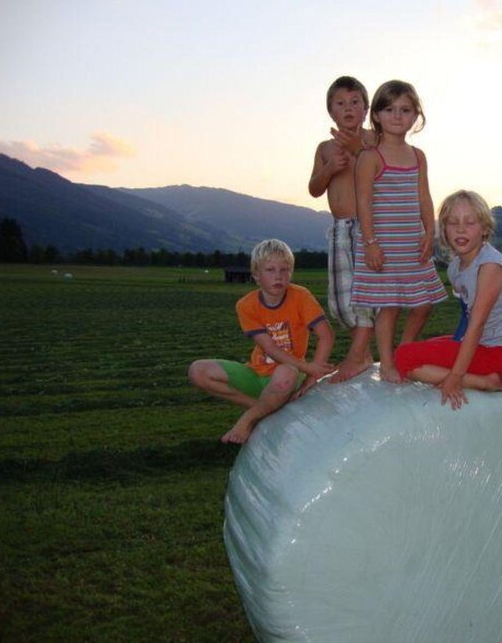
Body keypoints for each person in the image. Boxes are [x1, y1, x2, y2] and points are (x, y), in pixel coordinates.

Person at [188, 239, 335, 444]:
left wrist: (311, 378)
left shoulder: (300, 296)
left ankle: (248, 419)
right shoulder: (246, 305)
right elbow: (270, 348)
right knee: (198, 371)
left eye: (285, 270)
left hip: (289, 377)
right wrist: (310, 368)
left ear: (291, 273)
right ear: (256, 275)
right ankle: (263, 409)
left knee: (285, 373)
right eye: (270, 270)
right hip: (256, 373)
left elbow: (326, 335)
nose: (278, 276)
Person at [351, 80, 447, 383]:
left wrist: (430, 232)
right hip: (382, 245)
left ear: (415, 116)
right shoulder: (370, 157)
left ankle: (404, 349)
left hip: (412, 244)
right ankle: (388, 363)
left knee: (424, 303)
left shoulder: (418, 156)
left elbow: (424, 196)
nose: (397, 115)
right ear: (376, 115)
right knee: (390, 306)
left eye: (405, 110)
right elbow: (363, 203)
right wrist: (370, 243)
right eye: (390, 109)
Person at [394, 190, 502, 410]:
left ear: (484, 229)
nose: (461, 229)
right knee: (417, 348)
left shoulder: (490, 267)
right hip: (481, 346)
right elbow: (466, 317)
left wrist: (455, 377)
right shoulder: (455, 267)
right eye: (453, 223)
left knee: (403, 358)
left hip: (497, 352)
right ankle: (490, 375)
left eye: (470, 222)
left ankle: (487, 382)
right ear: (444, 229)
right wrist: (454, 346)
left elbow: (476, 324)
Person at [308, 76, 376, 382]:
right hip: (339, 229)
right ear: (331, 111)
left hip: (368, 227)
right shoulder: (325, 148)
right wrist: (329, 168)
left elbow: (384, 173)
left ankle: (357, 356)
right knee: (340, 300)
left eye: (354, 102)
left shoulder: (373, 140)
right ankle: (364, 354)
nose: (348, 108)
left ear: (366, 109)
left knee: (366, 295)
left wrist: (358, 150)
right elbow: (314, 189)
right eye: (340, 103)